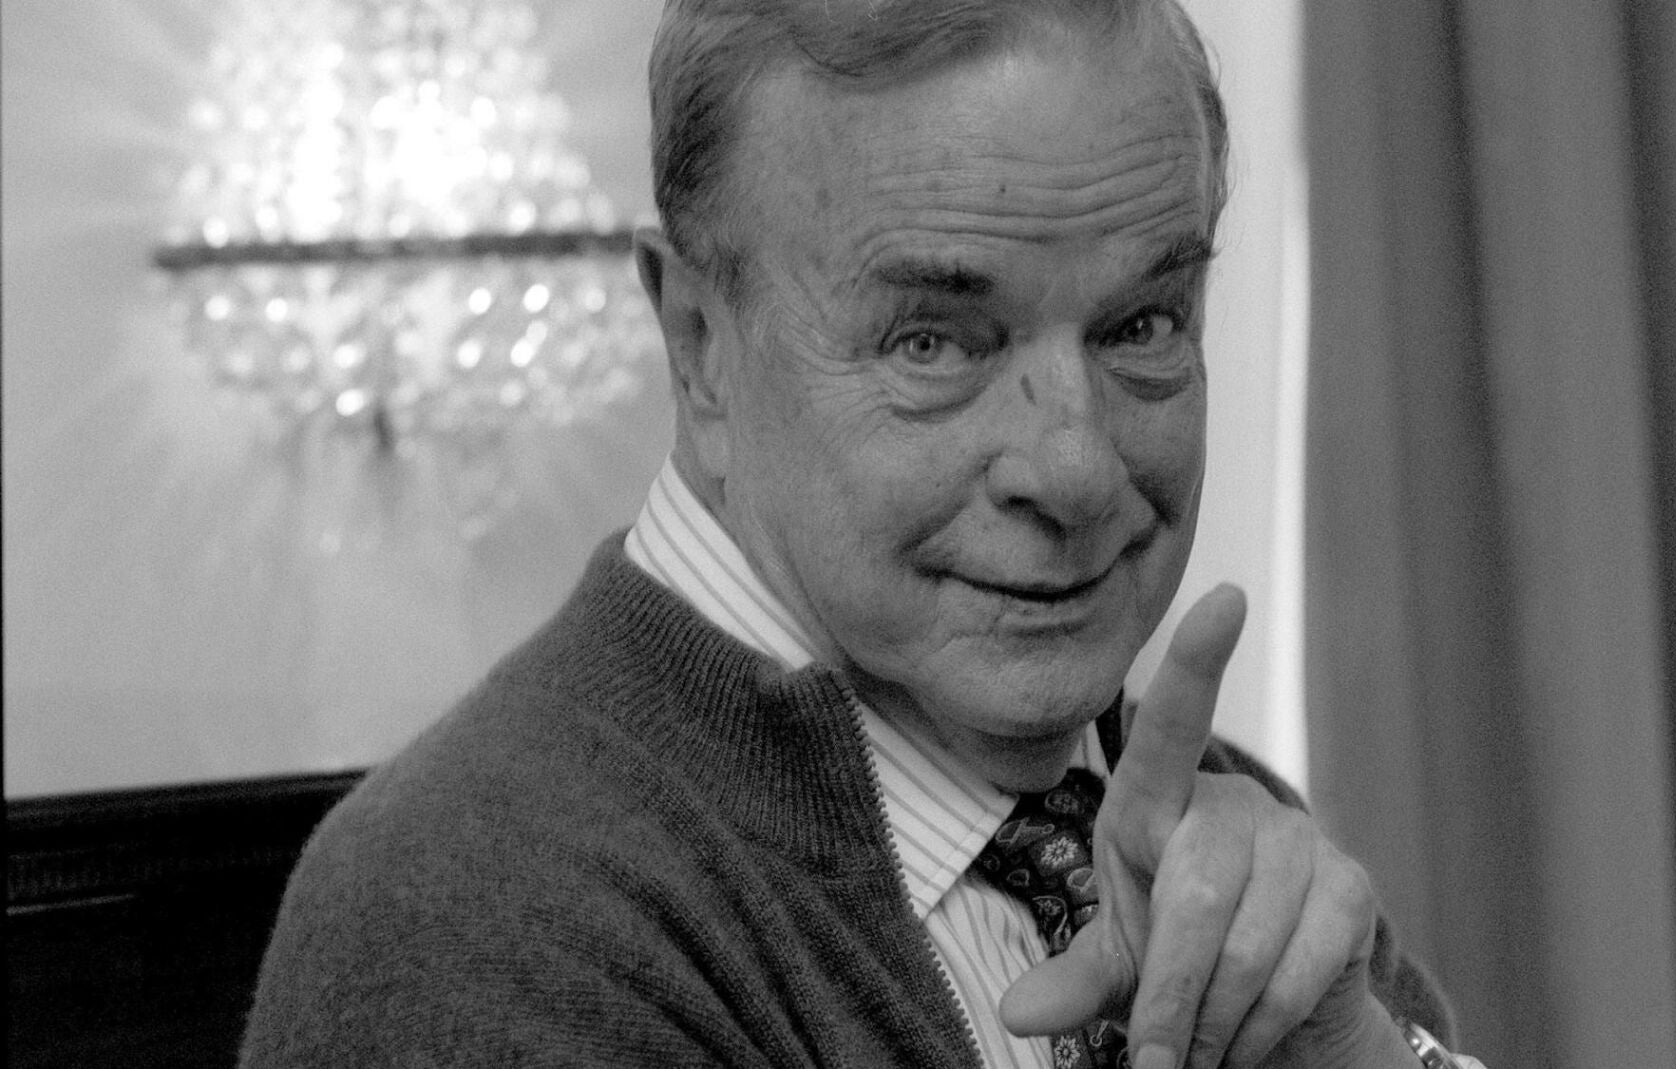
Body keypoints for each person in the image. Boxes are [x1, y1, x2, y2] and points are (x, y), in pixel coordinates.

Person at [242, 1, 1484, 1066]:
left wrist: (1349, 1051)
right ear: (699, 349)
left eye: (1143, 323)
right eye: (932, 341)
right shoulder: (477, 909)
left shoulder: (1226, 847)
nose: (1075, 466)